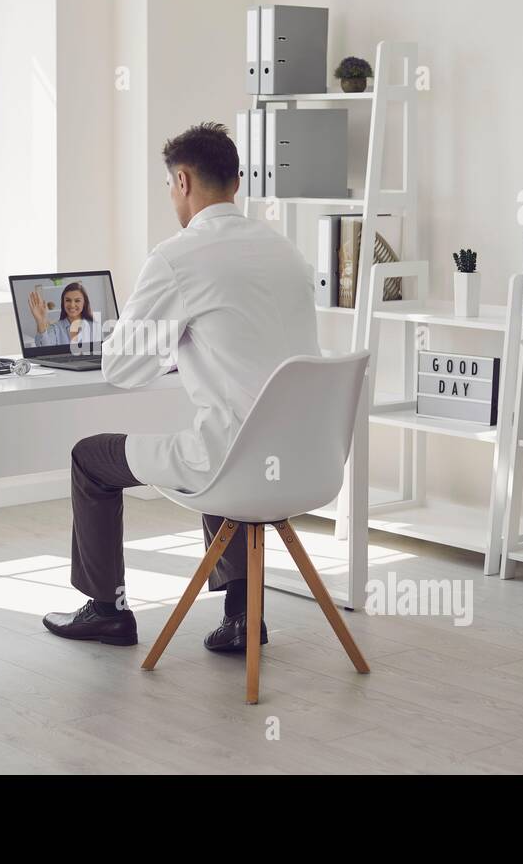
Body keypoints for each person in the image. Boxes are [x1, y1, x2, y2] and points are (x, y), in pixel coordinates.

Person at [42, 122, 320, 651]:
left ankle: (107, 609)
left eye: (170, 186)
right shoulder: (286, 251)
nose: (172, 196)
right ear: (237, 183)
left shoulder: (177, 255)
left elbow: (121, 369)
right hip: (304, 460)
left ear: (184, 181)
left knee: (89, 458)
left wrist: (171, 342)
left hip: (234, 463)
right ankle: (243, 615)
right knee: (230, 429)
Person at [29, 281, 97, 349]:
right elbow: (44, 348)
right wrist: (40, 322)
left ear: (84, 303)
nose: (72, 305)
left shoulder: (94, 327)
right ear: (63, 302)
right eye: (68, 300)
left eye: (77, 300)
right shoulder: (55, 328)